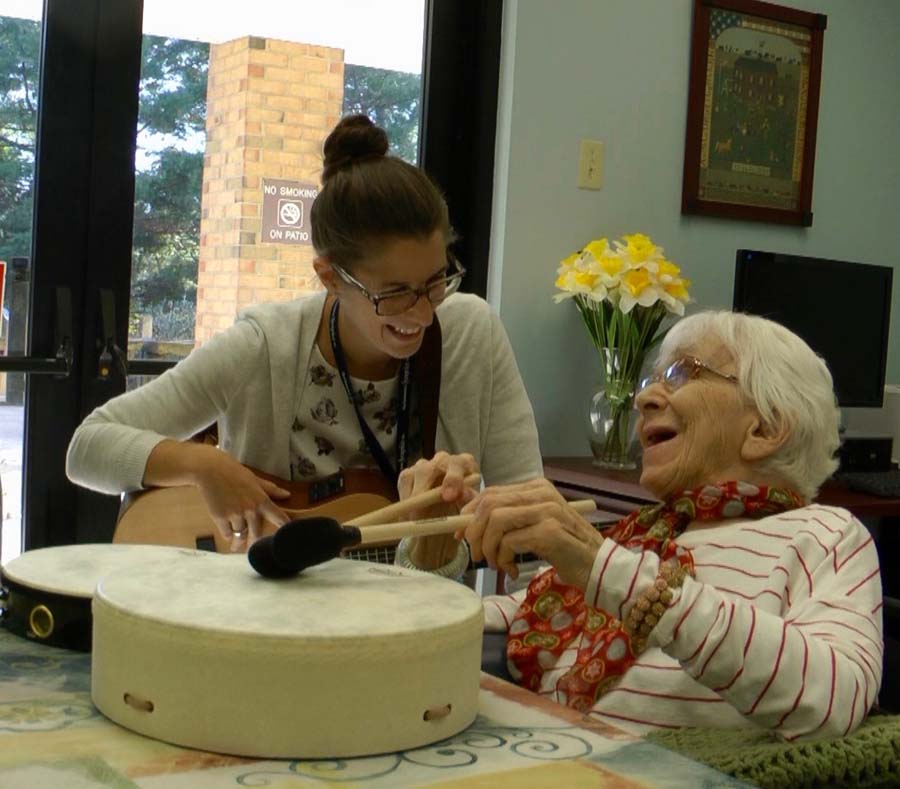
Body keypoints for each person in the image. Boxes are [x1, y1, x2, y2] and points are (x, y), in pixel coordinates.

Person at [66, 115, 542, 571]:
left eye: (437, 282)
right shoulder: (265, 345)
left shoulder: (470, 335)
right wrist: (202, 464)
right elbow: (87, 448)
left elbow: (530, 504)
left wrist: (450, 542)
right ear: (330, 276)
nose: (422, 313)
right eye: (394, 294)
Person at [460, 310, 882, 741]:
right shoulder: (641, 536)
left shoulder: (823, 534)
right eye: (650, 382)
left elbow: (834, 701)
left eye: (683, 372)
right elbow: (477, 622)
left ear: (765, 428)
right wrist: (426, 559)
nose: (644, 401)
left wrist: (608, 570)